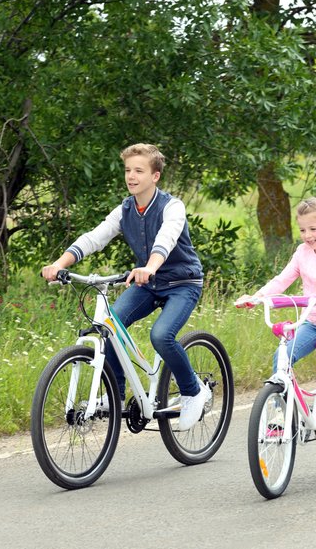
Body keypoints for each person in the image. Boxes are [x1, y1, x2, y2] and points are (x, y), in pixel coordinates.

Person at [41, 143, 211, 431]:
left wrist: (150, 267)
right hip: (148, 283)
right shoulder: (125, 209)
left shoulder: (172, 206)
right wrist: (59, 264)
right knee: (109, 326)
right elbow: (95, 238)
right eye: (128, 170)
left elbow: (166, 239)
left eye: (139, 171)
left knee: (161, 335)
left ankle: (194, 391)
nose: (131, 176)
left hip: (182, 283)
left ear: (155, 176)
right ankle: (115, 394)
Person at [237, 197, 316, 430]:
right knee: (281, 356)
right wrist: (256, 298)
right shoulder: (302, 253)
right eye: (303, 229)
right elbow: (282, 280)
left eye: (313, 229)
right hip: (311, 323)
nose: (307, 235)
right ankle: (281, 411)